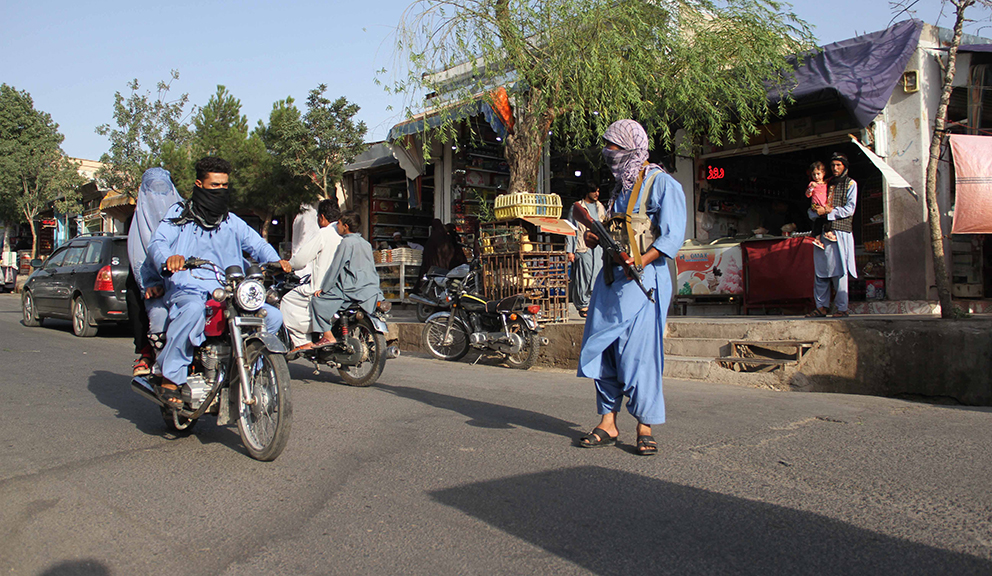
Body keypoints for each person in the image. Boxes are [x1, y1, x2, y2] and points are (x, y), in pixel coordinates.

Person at [576, 119, 686, 456]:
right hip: (610, 283)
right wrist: (595, 237)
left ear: (632, 148)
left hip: (643, 284)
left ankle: (645, 425)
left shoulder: (663, 184)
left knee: (640, 355)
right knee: (604, 349)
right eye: (607, 145)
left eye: (615, 146)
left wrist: (641, 261)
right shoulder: (618, 190)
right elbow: (615, 234)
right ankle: (608, 421)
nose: (608, 153)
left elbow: (672, 235)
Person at [147, 157, 291, 407]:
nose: (221, 191)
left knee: (272, 316)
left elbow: (256, 244)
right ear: (199, 184)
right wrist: (169, 259)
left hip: (230, 291)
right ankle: (171, 377)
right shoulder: (179, 215)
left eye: (225, 186)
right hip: (188, 287)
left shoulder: (231, 221)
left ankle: (250, 373)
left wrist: (277, 262)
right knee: (191, 311)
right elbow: (157, 243)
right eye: (215, 186)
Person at [126, 168, 183, 377]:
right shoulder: (137, 224)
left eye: (164, 189)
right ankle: (149, 354)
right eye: (153, 190)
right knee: (148, 307)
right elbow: (138, 257)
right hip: (154, 283)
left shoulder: (186, 213)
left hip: (186, 279)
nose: (158, 197)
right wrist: (148, 283)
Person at [308, 211, 383, 347]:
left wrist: (324, 288)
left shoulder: (346, 243)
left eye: (339, 223)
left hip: (351, 289)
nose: (337, 226)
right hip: (370, 288)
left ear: (346, 226)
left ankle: (327, 335)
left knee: (317, 301)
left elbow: (335, 269)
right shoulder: (365, 243)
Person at [282, 199, 342, 352]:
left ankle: (303, 341)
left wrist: (290, 264)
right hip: (343, 287)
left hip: (321, 287)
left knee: (287, 301)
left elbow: (302, 259)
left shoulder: (323, 234)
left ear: (322, 217)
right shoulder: (344, 234)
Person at [806, 152, 858, 318]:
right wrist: (816, 212)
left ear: (845, 166)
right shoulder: (824, 184)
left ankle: (842, 308)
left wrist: (828, 212)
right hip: (822, 233)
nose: (835, 168)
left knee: (839, 272)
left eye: (838, 165)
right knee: (821, 272)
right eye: (833, 165)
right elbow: (812, 207)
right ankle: (821, 307)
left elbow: (850, 209)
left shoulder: (851, 184)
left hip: (840, 232)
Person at [566, 182, 607, 317]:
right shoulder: (577, 207)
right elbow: (570, 229)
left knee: (597, 274)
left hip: (599, 247)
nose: (597, 194)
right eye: (594, 191)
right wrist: (570, 251)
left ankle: (594, 303)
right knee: (585, 275)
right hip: (582, 246)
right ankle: (583, 304)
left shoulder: (600, 207)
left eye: (598, 191)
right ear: (587, 192)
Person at [413, 219, 466, 294]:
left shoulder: (431, 240)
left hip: (433, 267)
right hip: (445, 266)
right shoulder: (446, 239)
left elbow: (426, 254)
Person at [805, 161, 836, 249]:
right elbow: (808, 195)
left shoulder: (826, 184)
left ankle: (828, 232)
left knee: (827, 218)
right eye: (814, 174)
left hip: (825, 206)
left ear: (823, 173)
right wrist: (811, 188)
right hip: (816, 206)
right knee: (818, 220)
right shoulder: (812, 184)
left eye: (818, 174)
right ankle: (817, 238)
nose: (816, 177)